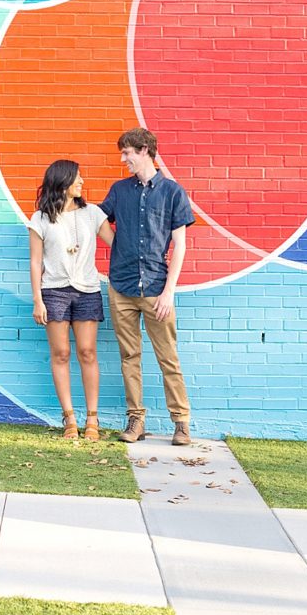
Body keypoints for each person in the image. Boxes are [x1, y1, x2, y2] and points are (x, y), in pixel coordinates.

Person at [101, 128, 195, 446]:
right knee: (130, 356)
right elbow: (98, 220)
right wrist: (118, 247)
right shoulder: (119, 190)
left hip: (157, 289)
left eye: (127, 152)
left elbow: (180, 245)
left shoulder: (172, 192)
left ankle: (181, 423)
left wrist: (169, 291)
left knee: (168, 357)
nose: (123, 159)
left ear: (144, 151)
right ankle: (136, 420)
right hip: (122, 288)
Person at [28, 160, 114, 440]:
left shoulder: (92, 213)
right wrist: (37, 300)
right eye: (77, 178)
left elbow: (116, 243)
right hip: (53, 290)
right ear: (62, 183)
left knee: (87, 352)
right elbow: (35, 261)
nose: (82, 183)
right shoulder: (40, 218)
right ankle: (69, 419)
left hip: (87, 289)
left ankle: (92, 419)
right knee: (61, 353)